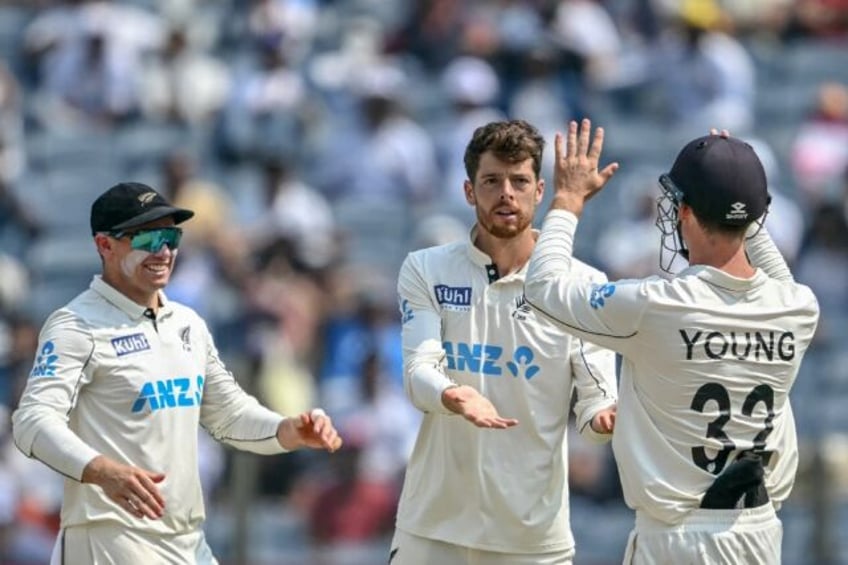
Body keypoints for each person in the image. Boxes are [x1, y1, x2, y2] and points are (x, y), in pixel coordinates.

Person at [524, 119, 820, 564]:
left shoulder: (657, 305)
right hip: (758, 535)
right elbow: (770, 269)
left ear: (684, 213)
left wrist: (566, 201)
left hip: (678, 540)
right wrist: (735, 183)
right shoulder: (799, 307)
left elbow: (542, 289)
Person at [11, 182, 343, 564]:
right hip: (111, 538)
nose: (164, 251)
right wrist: (102, 472)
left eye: (171, 236)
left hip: (185, 539)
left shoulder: (186, 323)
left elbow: (229, 414)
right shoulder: (76, 326)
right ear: (105, 245)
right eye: (148, 239)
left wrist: (286, 430)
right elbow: (32, 421)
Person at [390, 119, 618, 565]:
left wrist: (610, 418)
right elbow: (419, 376)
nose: (506, 194)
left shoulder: (582, 284)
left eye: (519, 181)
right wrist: (453, 395)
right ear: (469, 192)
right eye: (491, 181)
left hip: (532, 542)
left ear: (539, 192)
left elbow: (594, 413)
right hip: (433, 530)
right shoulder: (426, 269)